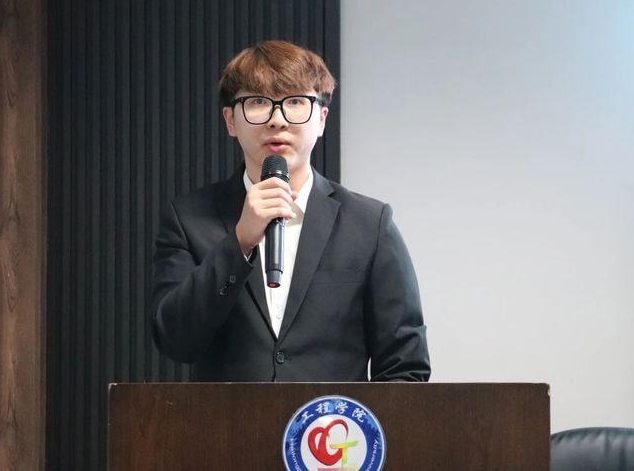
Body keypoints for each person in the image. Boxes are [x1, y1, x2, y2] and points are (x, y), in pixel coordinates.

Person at [152, 40, 430, 382]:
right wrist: (239, 244)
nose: (277, 120)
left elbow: (406, 366)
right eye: (258, 102)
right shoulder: (188, 219)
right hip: (228, 418)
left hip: (329, 418)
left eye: (296, 102)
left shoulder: (370, 224)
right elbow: (175, 342)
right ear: (230, 120)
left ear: (322, 119)